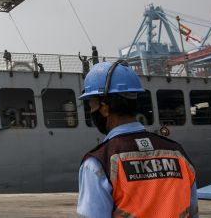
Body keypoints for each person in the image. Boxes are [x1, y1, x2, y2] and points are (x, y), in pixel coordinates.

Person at [77, 61, 198, 218]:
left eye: (92, 105)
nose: (91, 111)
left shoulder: (98, 163)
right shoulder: (178, 154)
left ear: (105, 108)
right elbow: (193, 212)